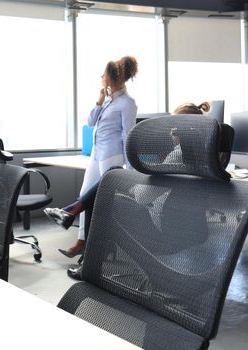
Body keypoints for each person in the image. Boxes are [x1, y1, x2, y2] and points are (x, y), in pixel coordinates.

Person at [46, 100, 210, 259]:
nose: (170, 132)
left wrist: (133, 180)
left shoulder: (177, 155)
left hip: (163, 235)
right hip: (189, 232)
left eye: (173, 127)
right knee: (111, 176)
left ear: (183, 129)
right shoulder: (203, 156)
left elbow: (142, 197)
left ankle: (87, 251)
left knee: (101, 194)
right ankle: (74, 221)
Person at [46, 56, 139, 259]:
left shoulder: (127, 103)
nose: (100, 76)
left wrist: (130, 170)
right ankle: (81, 241)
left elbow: (128, 135)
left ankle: (96, 246)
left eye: (103, 74)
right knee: (85, 195)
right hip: (97, 154)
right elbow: (90, 122)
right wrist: (98, 102)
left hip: (112, 157)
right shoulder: (107, 100)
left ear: (111, 77)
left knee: (102, 202)